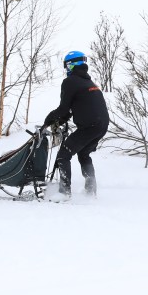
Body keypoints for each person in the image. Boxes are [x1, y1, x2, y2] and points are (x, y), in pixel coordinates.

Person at [42, 50, 110, 197]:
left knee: (63, 156)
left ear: (71, 65)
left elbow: (63, 108)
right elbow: (72, 109)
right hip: (102, 126)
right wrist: (60, 120)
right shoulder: (89, 82)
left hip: (89, 127)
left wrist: (48, 120)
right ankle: (90, 191)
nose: (66, 69)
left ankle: (64, 193)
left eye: (66, 66)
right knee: (84, 154)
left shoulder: (70, 82)